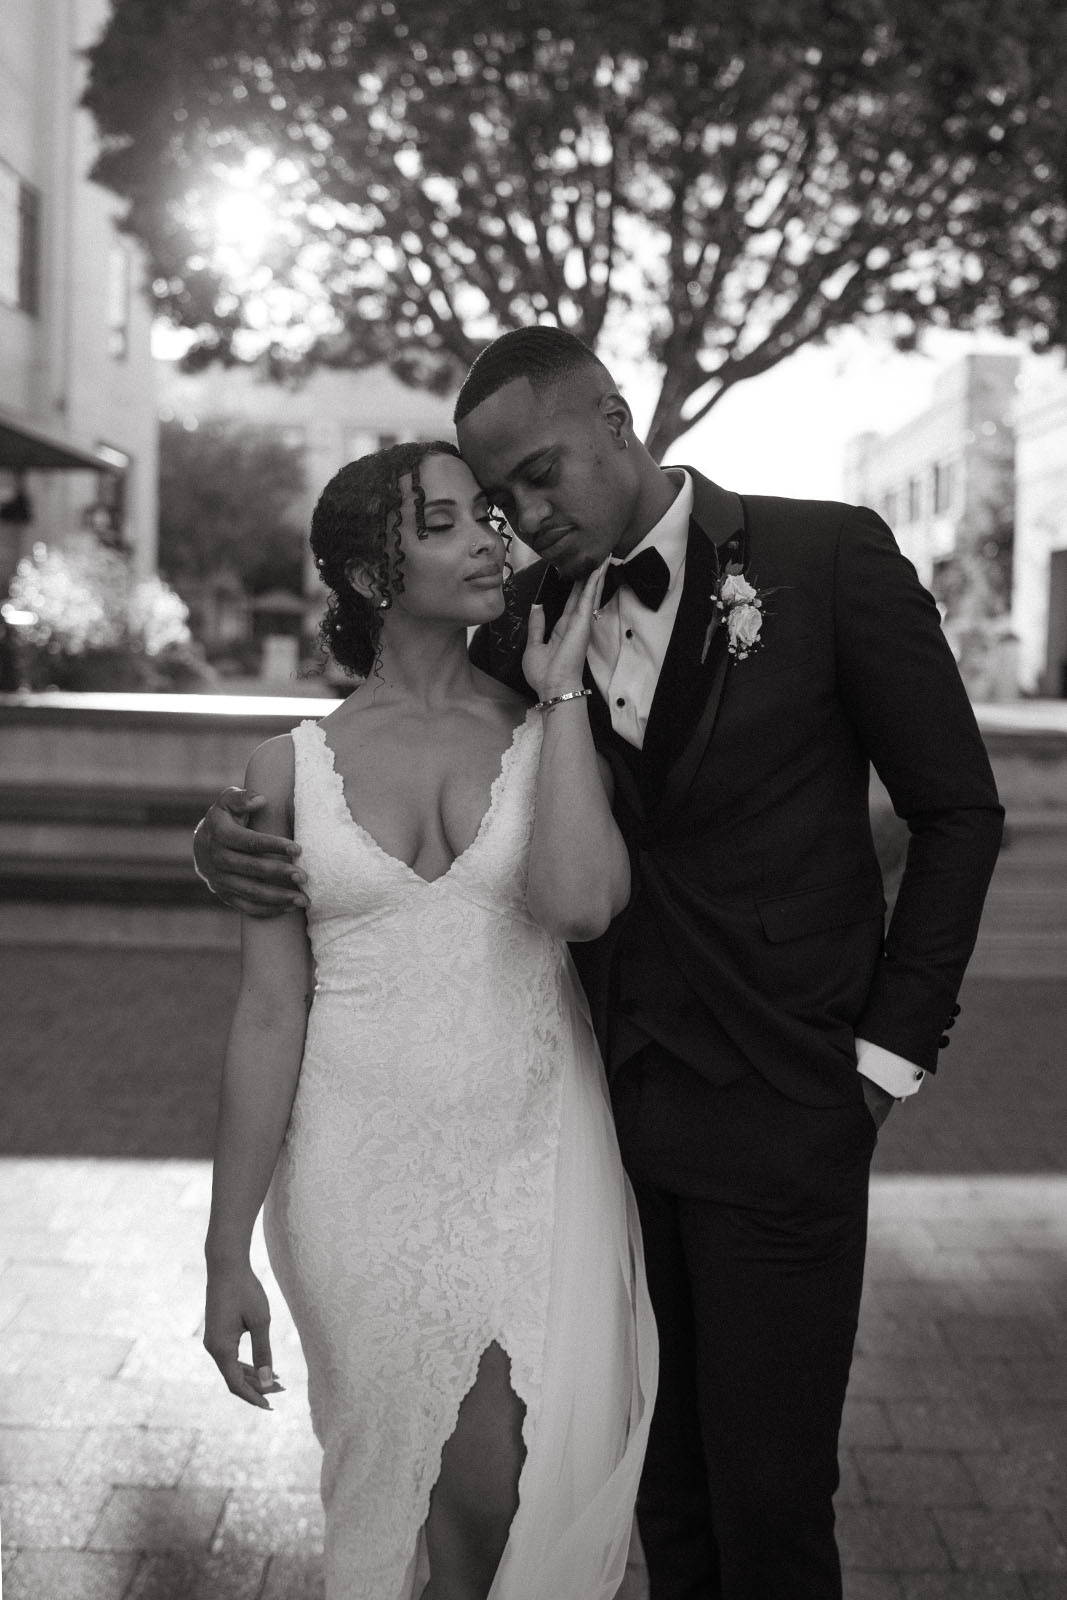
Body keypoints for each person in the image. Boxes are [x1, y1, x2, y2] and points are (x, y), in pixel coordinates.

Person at [196, 329, 1004, 1600]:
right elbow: (377, 744)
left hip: (784, 1102)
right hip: (605, 1130)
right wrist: (226, 842)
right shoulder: (513, 617)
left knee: (771, 1505)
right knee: (658, 1499)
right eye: (491, 495)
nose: (516, 517)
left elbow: (957, 812)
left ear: (618, 421)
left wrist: (882, 1056)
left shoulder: (824, 557)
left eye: (534, 475)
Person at [201, 439, 658, 1600]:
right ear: (370, 573)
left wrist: (558, 700)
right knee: (404, 1495)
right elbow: (266, 1017)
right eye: (448, 522)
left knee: (501, 1490)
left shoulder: (548, 715)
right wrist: (225, 1248)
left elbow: (585, 903)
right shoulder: (283, 767)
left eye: (487, 520)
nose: (490, 541)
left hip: (530, 1157)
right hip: (351, 1179)